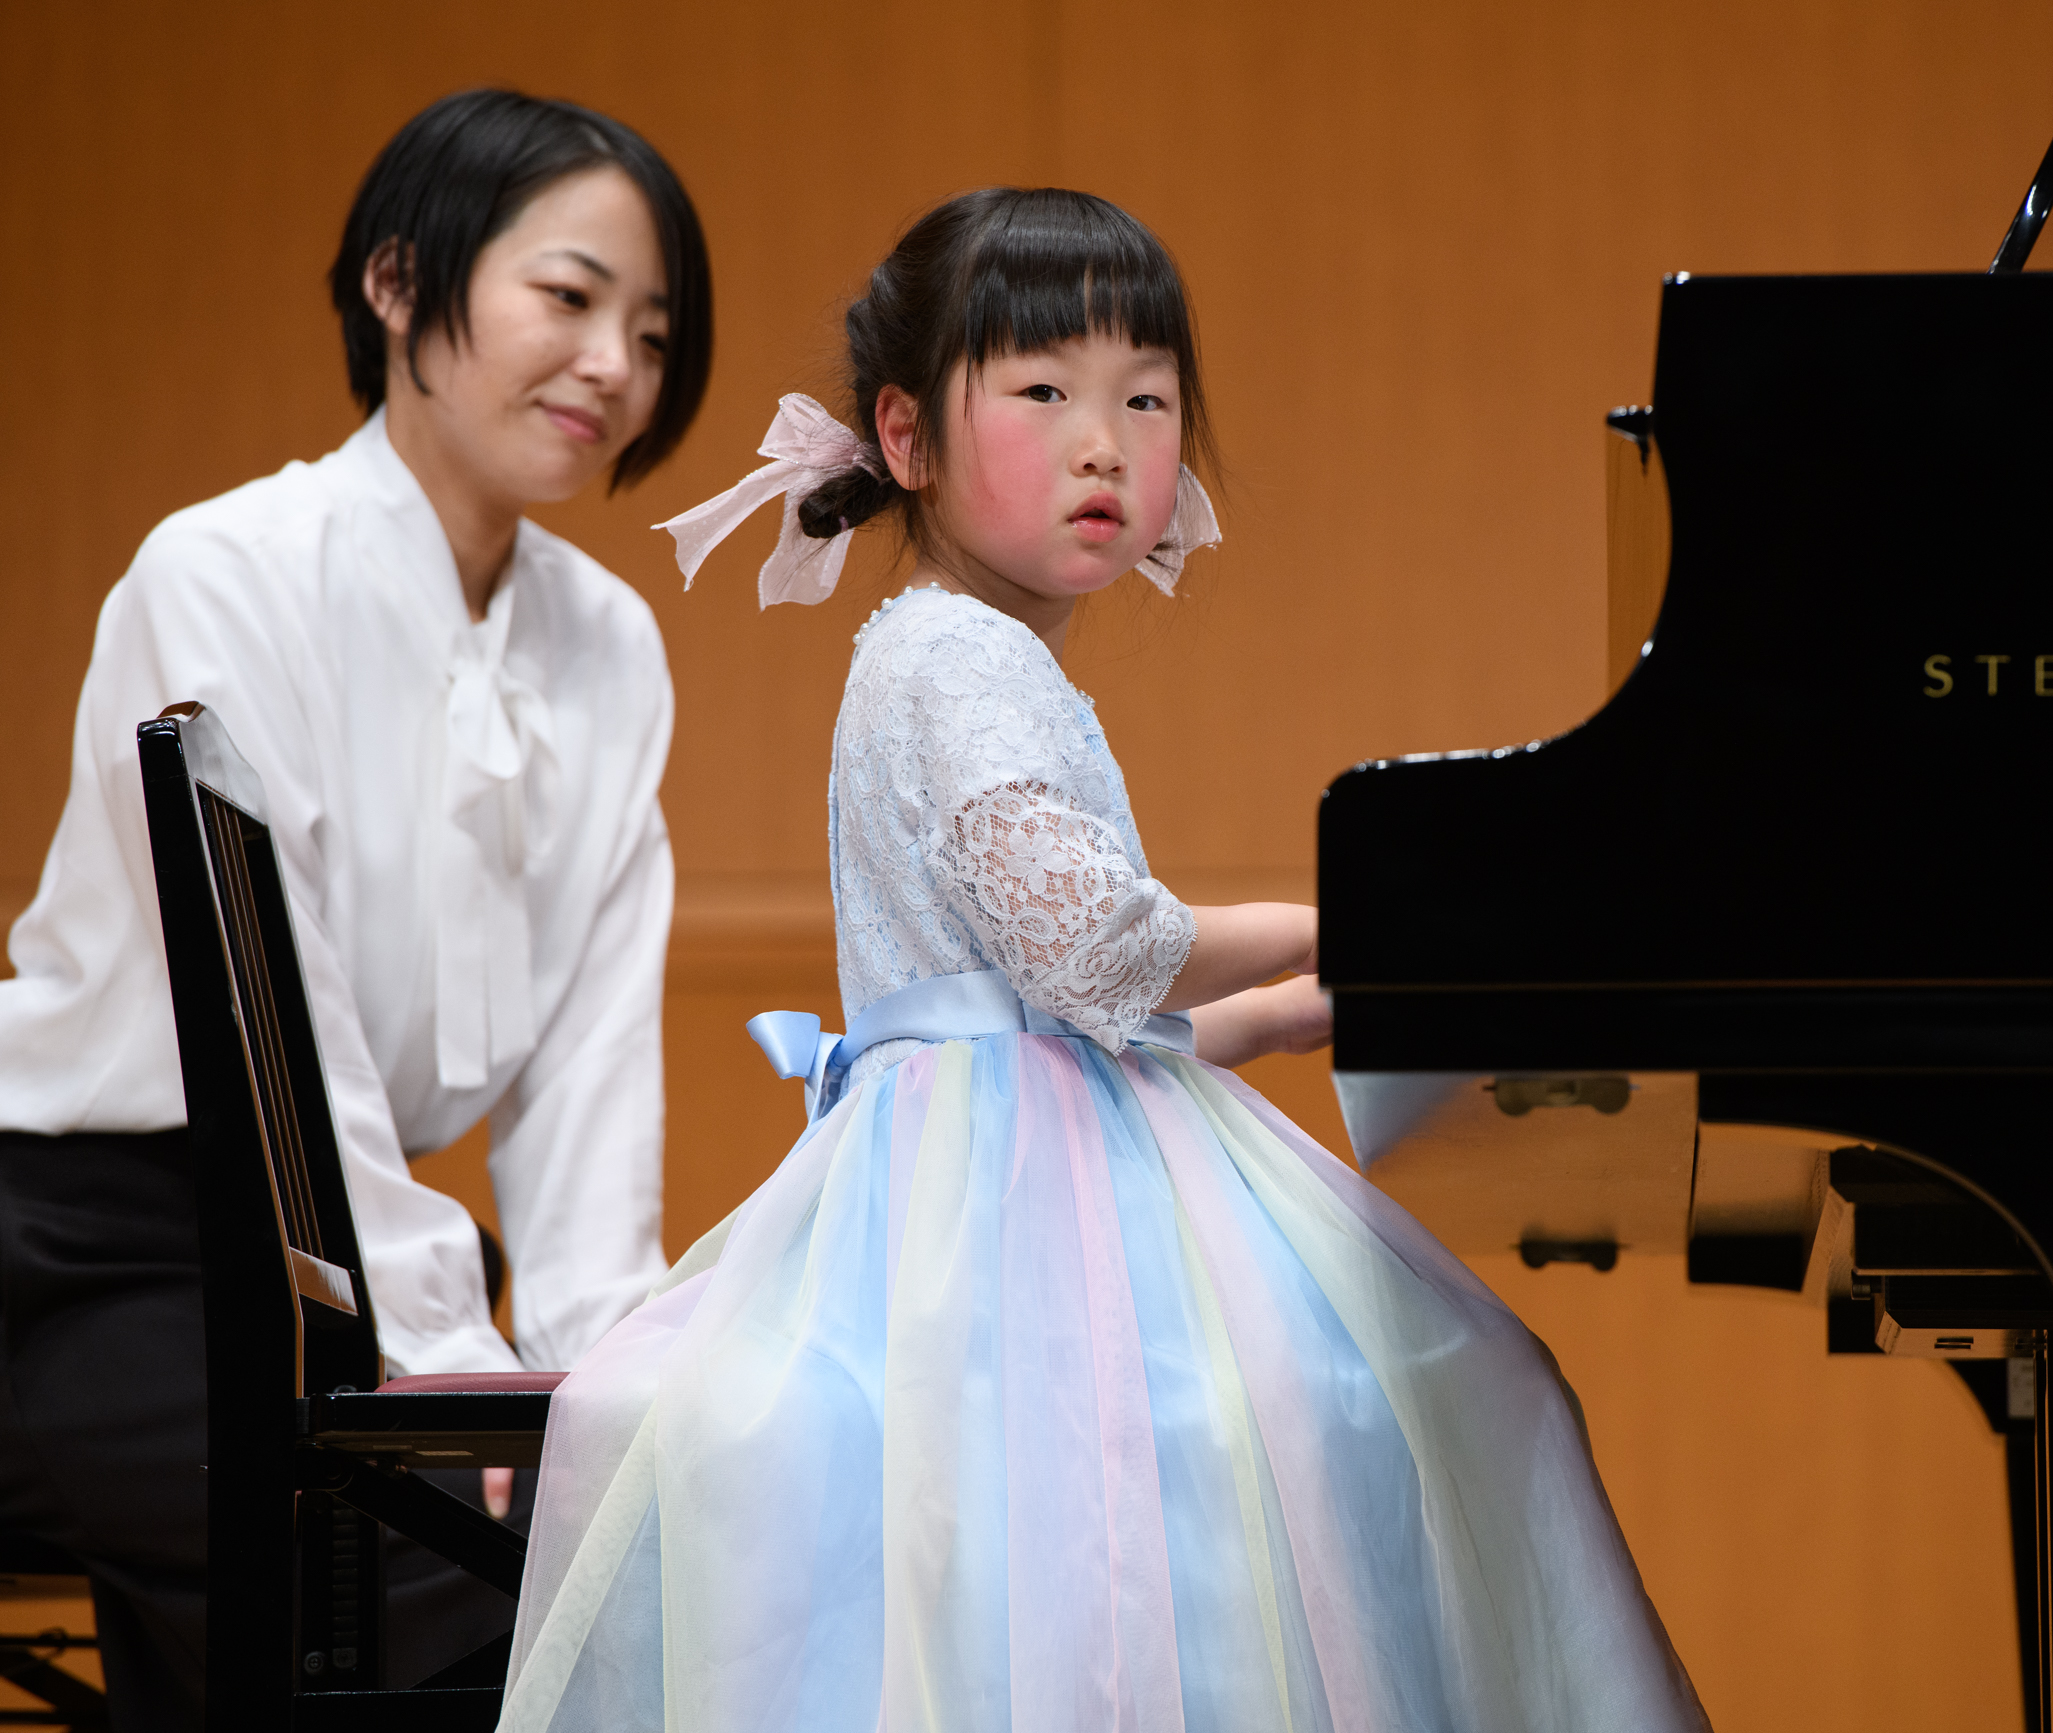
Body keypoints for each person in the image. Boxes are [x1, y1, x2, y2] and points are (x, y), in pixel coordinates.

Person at [498, 186, 1708, 1733]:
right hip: (995, 1218)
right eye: (1046, 392)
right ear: (908, 435)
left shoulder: (974, 650)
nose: (1108, 444)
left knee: (1416, 1387)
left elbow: (1048, 1023)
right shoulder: (954, 652)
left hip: (1017, 1158)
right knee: (1402, 1398)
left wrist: (1266, 1015)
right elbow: (1091, 951)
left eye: (1148, 399)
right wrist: (1335, 927)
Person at [0, 89, 712, 1723]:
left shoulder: (610, 646)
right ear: (399, 283)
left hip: (345, 1262)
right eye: (571, 295)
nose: (616, 362)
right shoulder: (228, 571)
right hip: (94, 1248)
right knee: (432, 1548)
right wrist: (461, 1389)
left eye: (654, 332)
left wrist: (612, 1380)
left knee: (651, 1511)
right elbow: (282, 1045)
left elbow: (596, 1072)